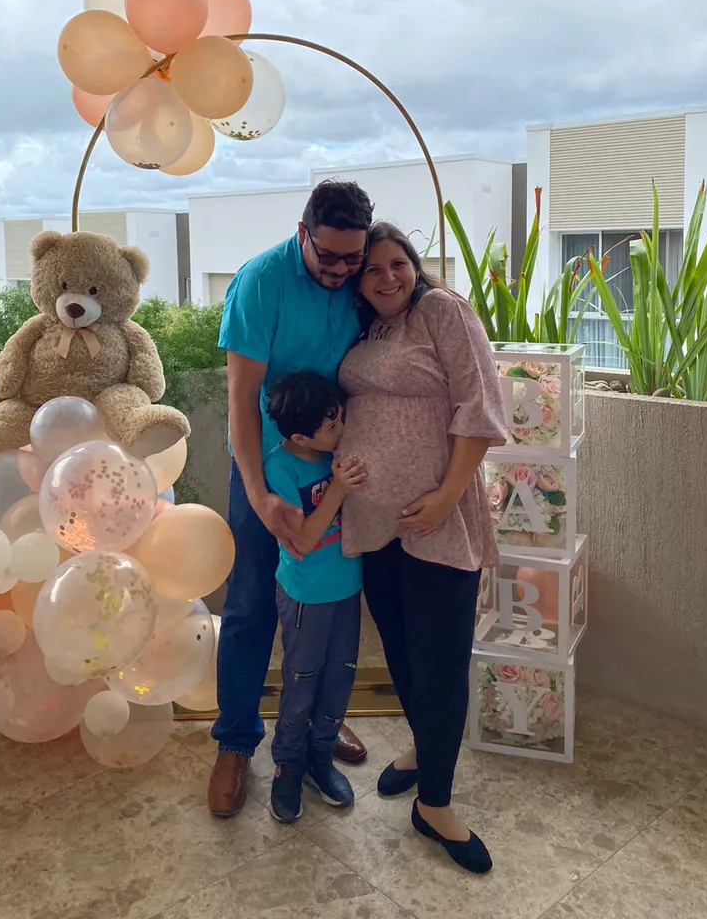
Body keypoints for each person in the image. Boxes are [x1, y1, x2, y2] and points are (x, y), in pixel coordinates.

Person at [338, 222, 508, 875]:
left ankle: (434, 804)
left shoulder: (441, 311)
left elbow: (479, 409)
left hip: (438, 520)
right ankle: (422, 748)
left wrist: (445, 496)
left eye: (397, 263)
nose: (387, 277)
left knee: (439, 661)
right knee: (403, 653)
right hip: (374, 525)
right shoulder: (366, 331)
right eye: (372, 269)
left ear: (415, 265)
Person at [208, 180, 374, 818]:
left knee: (328, 603)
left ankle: (314, 725)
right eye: (327, 256)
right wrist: (257, 494)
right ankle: (236, 739)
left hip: (335, 463)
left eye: (352, 258)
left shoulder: (358, 275)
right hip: (269, 466)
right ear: (302, 233)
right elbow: (240, 400)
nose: (340, 270)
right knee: (252, 601)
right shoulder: (261, 281)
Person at [263, 372, 366, 823]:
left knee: (340, 679)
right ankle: (288, 765)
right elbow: (302, 540)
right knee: (302, 681)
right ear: (301, 437)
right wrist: (338, 488)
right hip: (306, 596)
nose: (342, 430)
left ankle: (320, 759)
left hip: (348, 588)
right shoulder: (280, 467)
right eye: (332, 426)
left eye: (341, 419)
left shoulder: (335, 452)